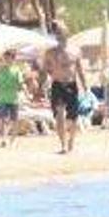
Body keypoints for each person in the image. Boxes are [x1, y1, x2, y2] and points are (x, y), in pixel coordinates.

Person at [43, 21, 86, 153]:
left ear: (67, 34)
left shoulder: (75, 50)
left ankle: (71, 139)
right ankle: (63, 144)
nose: (59, 35)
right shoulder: (50, 52)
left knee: (73, 118)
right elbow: (45, 70)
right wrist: (46, 80)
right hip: (57, 85)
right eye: (57, 33)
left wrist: (86, 87)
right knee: (59, 115)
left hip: (72, 86)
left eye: (61, 32)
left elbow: (80, 69)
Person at [0, 50, 30, 147]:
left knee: (14, 120)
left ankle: (13, 140)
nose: (6, 60)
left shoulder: (17, 70)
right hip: (3, 99)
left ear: (13, 59)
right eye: (5, 58)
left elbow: (21, 84)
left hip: (14, 99)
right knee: (4, 120)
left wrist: (27, 94)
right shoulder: (0, 71)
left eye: (8, 58)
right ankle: (4, 139)